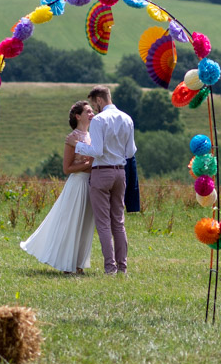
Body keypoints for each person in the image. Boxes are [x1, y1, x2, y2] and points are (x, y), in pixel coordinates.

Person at [20, 101, 96, 274]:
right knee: (72, 223)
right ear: (78, 116)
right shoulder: (72, 138)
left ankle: (79, 265)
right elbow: (67, 169)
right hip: (77, 184)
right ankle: (66, 264)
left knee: (85, 224)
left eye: (92, 111)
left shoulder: (92, 136)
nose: (92, 114)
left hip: (90, 184)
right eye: (88, 111)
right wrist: (87, 165)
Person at [68, 85, 136, 275]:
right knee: (118, 222)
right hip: (120, 172)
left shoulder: (99, 120)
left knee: (104, 223)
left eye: (93, 103)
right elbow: (130, 152)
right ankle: (122, 267)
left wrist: (79, 146)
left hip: (102, 172)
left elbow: (96, 151)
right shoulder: (127, 119)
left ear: (99, 100)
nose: (93, 108)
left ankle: (110, 268)